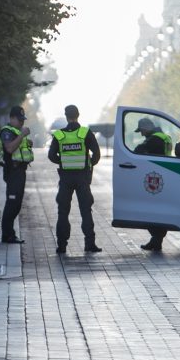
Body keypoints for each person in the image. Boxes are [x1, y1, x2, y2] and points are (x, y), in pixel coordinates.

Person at [48, 104, 102, 254]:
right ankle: (90, 244)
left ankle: (62, 246)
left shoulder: (59, 135)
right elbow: (97, 154)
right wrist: (89, 164)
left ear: (66, 117)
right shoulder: (85, 133)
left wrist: (63, 162)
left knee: (63, 212)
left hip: (65, 178)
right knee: (86, 210)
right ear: (78, 115)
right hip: (82, 178)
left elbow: (52, 156)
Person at [134, 117, 173, 251]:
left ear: (146, 128)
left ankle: (156, 240)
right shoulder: (164, 136)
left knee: (150, 210)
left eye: (141, 131)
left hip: (155, 177)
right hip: (162, 176)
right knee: (157, 211)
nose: (141, 134)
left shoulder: (155, 139)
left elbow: (139, 150)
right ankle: (156, 241)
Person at [0, 105, 34, 245]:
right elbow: (9, 148)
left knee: (17, 204)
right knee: (12, 203)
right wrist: (22, 136)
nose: (21, 122)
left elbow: (19, 148)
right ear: (12, 118)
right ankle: (7, 235)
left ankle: (10, 234)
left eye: (23, 120)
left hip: (20, 171)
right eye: (19, 119)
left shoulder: (17, 131)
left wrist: (27, 143)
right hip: (12, 171)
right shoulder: (7, 131)